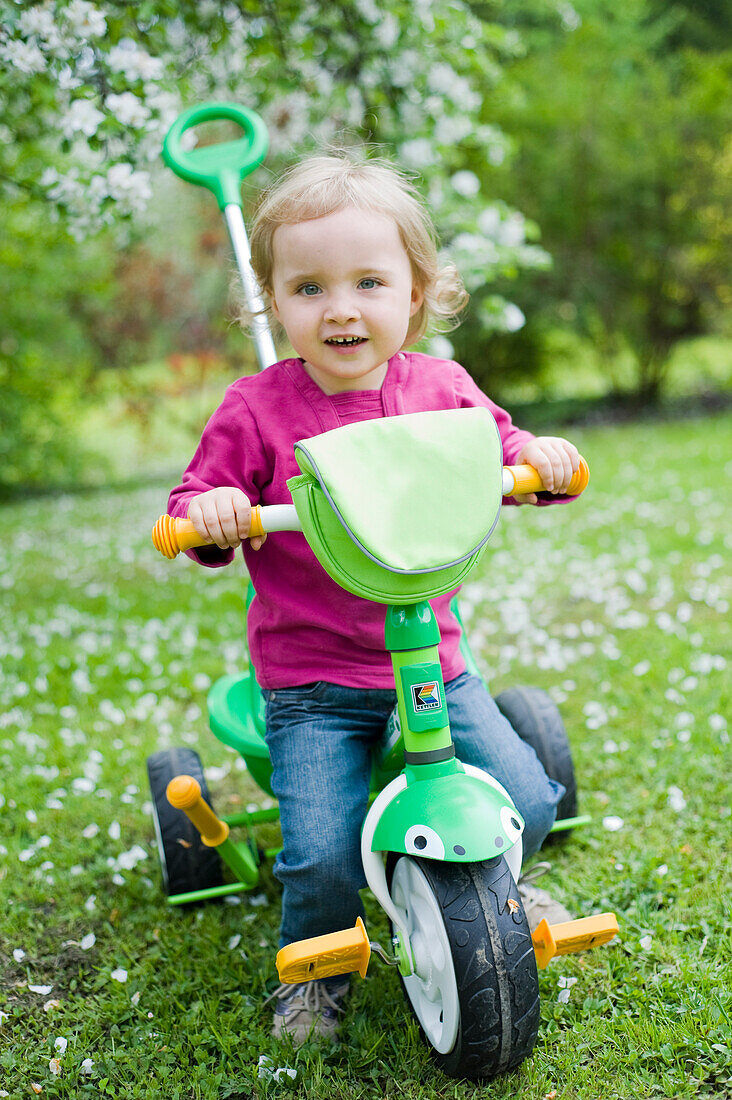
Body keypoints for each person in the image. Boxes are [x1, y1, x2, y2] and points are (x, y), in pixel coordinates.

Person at [167, 152, 578, 1043]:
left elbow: (502, 450)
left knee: (529, 800)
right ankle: (315, 970)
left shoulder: (442, 391)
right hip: (313, 680)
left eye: (368, 282)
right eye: (309, 287)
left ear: (417, 293)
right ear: (275, 303)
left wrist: (539, 460)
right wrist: (214, 510)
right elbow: (190, 509)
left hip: (433, 660)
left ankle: (500, 885)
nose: (340, 307)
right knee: (319, 850)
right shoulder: (258, 408)